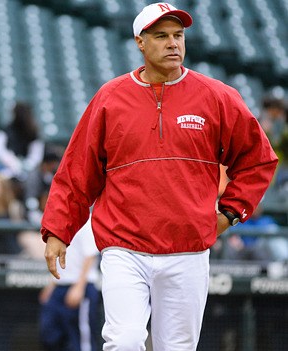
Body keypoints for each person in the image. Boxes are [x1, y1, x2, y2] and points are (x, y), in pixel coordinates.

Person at [41, 3, 278, 350]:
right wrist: (58, 230)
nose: (173, 44)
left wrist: (229, 213)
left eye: (178, 36)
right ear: (140, 42)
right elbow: (77, 172)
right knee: (124, 341)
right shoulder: (110, 98)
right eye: (162, 36)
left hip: (187, 249)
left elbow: (258, 160)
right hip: (125, 246)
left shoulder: (217, 97)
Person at [39, 216, 100, 351]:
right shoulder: (58, 218)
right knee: (49, 333)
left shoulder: (85, 219)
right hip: (60, 285)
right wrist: (52, 285)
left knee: (81, 340)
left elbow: (90, 255)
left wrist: (79, 287)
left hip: (81, 286)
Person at [0, 102, 44, 178]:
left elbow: (36, 157)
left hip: (27, 172)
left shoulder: (33, 134)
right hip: (6, 169)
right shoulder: (3, 132)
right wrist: (14, 163)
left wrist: (26, 165)